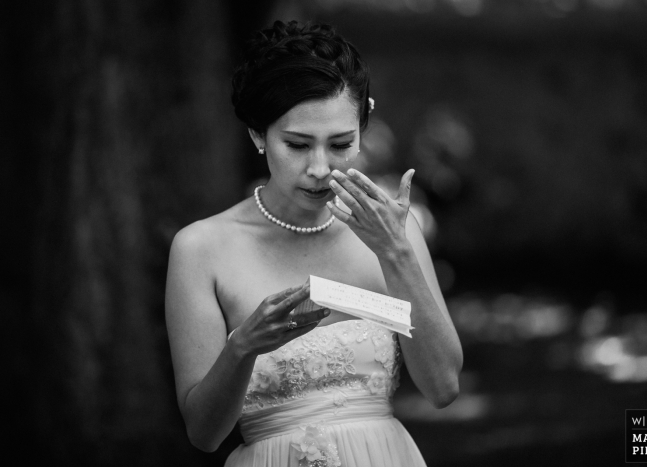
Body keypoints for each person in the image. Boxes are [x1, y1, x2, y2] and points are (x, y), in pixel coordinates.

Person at [165, 20, 463, 467]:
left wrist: (394, 253)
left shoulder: (391, 231)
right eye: (298, 145)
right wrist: (242, 347)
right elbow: (204, 435)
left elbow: (443, 387)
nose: (321, 168)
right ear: (257, 136)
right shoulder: (201, 249)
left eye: (341, 143)